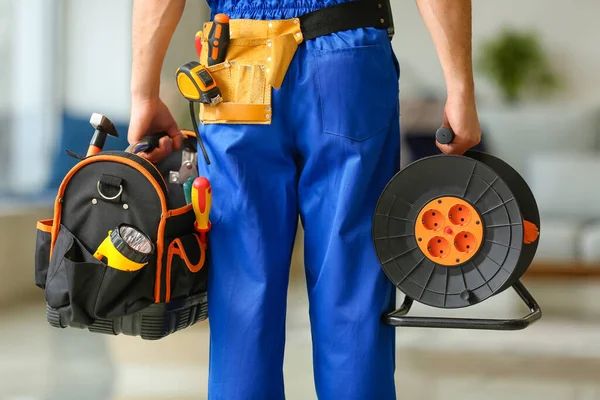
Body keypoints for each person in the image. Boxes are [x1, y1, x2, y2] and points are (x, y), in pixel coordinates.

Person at [128, 0, 481, 399]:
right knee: (353, 286)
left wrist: (144, 93)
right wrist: (460, 88)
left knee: (240, 291)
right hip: (348, 62)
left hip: (235, 64)